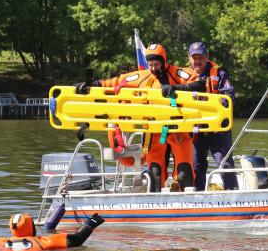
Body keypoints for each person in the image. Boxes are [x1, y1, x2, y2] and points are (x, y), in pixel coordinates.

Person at [76, 43, 196, 192]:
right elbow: (117, 82)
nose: (153, 68)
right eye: (150, 64)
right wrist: (90, 85)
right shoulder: (142, 76)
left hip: (179, 131)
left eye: (156, 64)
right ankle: (155, 204)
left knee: (184, 172)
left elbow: (199, 83)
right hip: (155, 132)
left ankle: (187, 200)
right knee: (155, 172)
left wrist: (177, 88)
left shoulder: (177, 73)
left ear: (164, 61)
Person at [161, 41, 238, 191]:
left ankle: (232, 192)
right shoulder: (184, 74)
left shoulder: (219, 73)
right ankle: (197, 195)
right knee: (196, 165)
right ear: (189, 58)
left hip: (217, 127)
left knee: (224, 162)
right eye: (194, 57)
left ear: (207, 56)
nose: (197, 61)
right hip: (195, 127)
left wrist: (210, 105)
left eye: (200, 57)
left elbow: (229, 98)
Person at [0, 213, 104, 251]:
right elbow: (76, 240)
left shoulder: (0, 242)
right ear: (30, 227)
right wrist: (91, 223)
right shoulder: (42, 241)